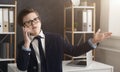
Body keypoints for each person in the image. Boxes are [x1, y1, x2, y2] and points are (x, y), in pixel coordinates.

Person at [16, 8, 112, 72]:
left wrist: (94, 41)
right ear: (23, 27)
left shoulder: (56, 39)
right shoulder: (23, 45)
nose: (33, 24)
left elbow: (75, 51)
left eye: (35, 19)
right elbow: (22, 67)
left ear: (40, 20)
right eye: (28, 22)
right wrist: (27, 44)